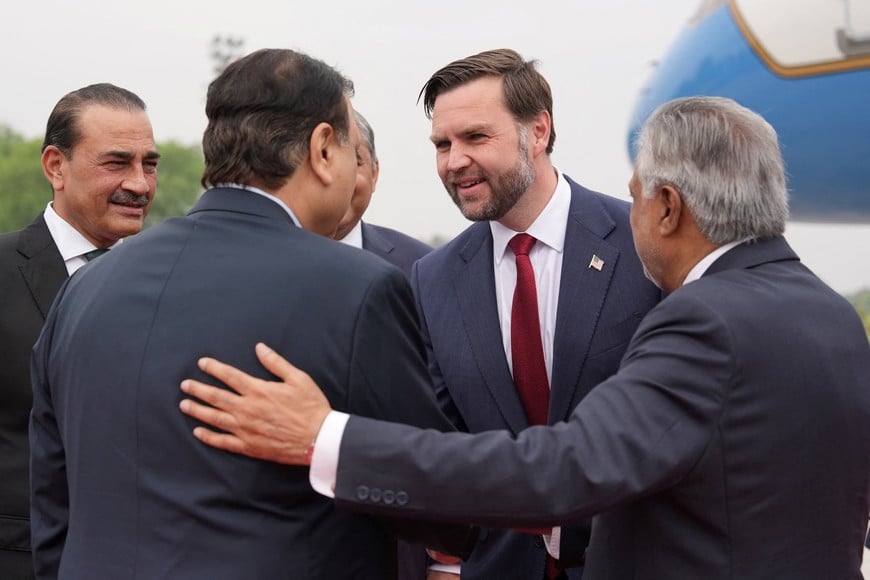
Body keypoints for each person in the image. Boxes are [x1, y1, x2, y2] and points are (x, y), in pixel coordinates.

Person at [179, 96, 870, 579]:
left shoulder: (705, 321)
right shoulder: (827, 314)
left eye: (633, 197)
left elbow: (564, 468)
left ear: (666, 208)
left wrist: (325, 437)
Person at [29, 48, 473, 579]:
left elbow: (53, 507)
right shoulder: (356, 289)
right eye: (353, 148)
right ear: (322, 149)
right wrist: (330, 437)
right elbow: (442, 511)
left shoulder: (86, 288)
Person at [416, 48, 661, 578]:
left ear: (539, 131)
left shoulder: (645, 245)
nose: (453, 160)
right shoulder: (432, 279)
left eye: (476, 138)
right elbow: (446, 441)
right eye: (442, 144)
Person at [0, 83, 157, 579]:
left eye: (149, 164)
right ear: (55, 166)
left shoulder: (174, 281)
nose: (140, 184)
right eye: (116, 163)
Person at [335, 110, 432, 279]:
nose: (339, 177)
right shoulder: (273, 258)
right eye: (324, 159)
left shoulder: (423, 266)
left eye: (355, 162)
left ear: (374, 173)